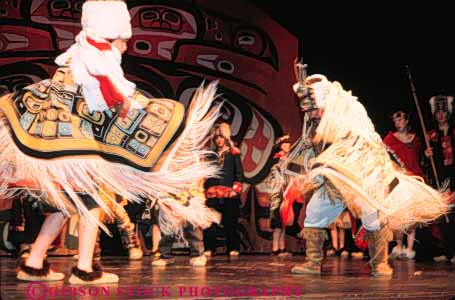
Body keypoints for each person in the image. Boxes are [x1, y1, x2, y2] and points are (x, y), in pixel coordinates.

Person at [0, 0, 221, 283]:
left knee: (65, 205)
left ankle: (33, 263)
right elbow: (106, 99)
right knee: (91, 203)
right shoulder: (98, 60)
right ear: (112, 36)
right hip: (77, 147)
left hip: (62, 145)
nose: (127, 47)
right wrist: (144, 110)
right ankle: (85, 270)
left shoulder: (78, 55)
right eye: (123, 41)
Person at [289, 74, 447, 276]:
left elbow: (365, 139)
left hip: (362, 175)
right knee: (314, 213)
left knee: (372, 215)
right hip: (332, 180)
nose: (311, 114)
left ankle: (379, 264)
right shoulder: (313, 123)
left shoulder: (350, 111)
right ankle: (312, 263)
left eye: (314, 109)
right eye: (309, 111)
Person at [383, 110, 424, 260]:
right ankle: (399, 246)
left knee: (412, 217)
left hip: (414, 179)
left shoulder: (416, 139)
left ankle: (410, 249)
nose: (397, 123)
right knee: (398, 217)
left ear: (406, 121)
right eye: (395, 121)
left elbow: (417, 158)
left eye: (400, 120)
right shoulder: (389, 140)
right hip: (398, 181)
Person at [203, 122, 244, 257]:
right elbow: (207, 174)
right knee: (209, 221)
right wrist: (206, 189)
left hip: (229, 193)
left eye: (221, 137)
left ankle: (233, 247)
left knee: (230, 222)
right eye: (216, 138)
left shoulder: (233, 153)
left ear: (226, 138)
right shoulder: (211, 155)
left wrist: (235, 190)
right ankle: (209, 247)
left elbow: (239, 173)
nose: (219, 140)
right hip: (213, 193)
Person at [424, 95, 455, 264]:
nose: (441, 115)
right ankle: (448, 250)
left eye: (444, 112)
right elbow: (426, 162)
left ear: (448, 113)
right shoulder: (431, 135)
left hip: (454, 176)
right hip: (440, 178)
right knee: (444, 215)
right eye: (438, 112)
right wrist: (426, 155)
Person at [269, 134, 295, 256]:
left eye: (289, 143)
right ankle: (275, 248)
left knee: (284, 222)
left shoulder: (290, 159)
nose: (287, 146)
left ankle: (282, 248)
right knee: (278, 223)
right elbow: (276, 178)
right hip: (279, 193)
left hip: (288, 193)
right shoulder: (276, 159)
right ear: (280, 146)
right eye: (284, 144)